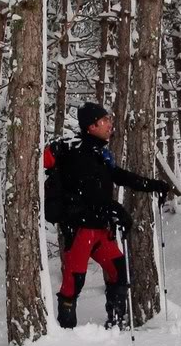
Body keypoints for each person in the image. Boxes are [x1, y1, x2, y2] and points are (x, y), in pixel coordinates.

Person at [43, 102, 171, 329]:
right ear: (91, 126)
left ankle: (116, 323)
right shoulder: (79, 155)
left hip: (101, 230)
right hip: (81, 229)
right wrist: (115, 209)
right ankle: (65, 331)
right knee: (74, 281)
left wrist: (154, 185)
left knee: (119, 272)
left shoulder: (99, 153)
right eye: (104, 121)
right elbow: (87, 194)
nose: (110, 124)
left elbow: (119, 176)